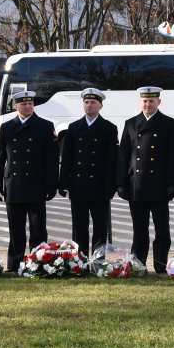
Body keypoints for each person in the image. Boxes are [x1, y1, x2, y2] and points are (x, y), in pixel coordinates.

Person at [117, 86, 174, 273]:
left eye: (152, 101)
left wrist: (172, 183)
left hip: (160, 186)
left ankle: (160, 264)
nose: (148, 104)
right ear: (140, 102)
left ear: (158, 102)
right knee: (139, 230)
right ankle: (138, 264)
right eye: (144, 101)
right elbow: (123, 155)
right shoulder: (130, 123)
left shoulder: (169, 123)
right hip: (136, 186)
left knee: (162, 230)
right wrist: (121, 183)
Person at [0, 91, 58, 270]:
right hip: (13, 185)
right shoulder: (6, 128)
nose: (27, 106)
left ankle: (39, 264)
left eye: (30, 103)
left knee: (38, 229)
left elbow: (51, 159)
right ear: (15, 106)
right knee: (16, 229)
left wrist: (52, 184)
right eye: (23, 104)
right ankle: (14, 265)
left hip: (36, 185)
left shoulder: (45, 126)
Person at [58, 88, 118, 256]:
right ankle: (80, 261)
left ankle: (98, 261)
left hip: (99, 186)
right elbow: (67, 158)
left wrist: (111, 185)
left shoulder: (109, 128)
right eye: (86, 102)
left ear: (100, 106)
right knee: (79, 228)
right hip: (78, 185)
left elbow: (112, 160)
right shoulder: (74, 127)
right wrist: (63, 182)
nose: (89, 105)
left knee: (100, 228)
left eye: (93, 102)